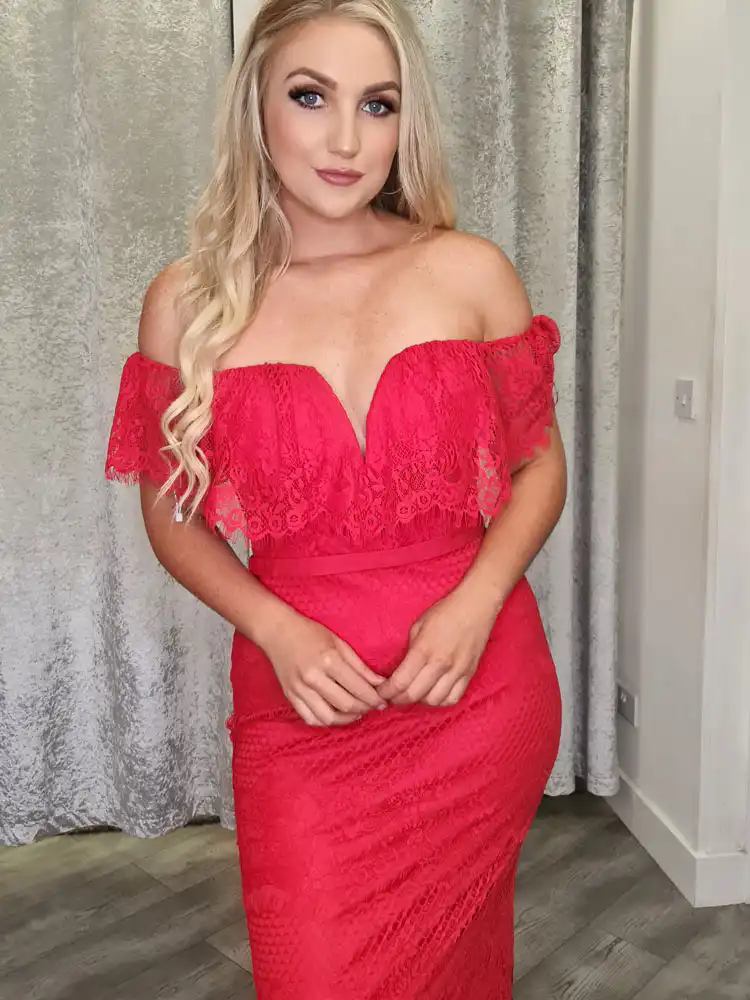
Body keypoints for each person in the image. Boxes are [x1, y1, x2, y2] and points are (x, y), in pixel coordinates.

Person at [105, 0, 566, 996]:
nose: (348, 140)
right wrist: (276, 627)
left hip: (474, 691)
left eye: (379, 104)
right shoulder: (187, 301)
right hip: (302, 709)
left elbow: (538, 468)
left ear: (406, 122)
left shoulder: (468, 271)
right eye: (311, 97)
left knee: (457, 965)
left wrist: (477, 601)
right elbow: (171, 513)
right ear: (256, 107)